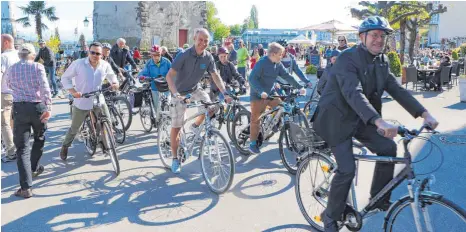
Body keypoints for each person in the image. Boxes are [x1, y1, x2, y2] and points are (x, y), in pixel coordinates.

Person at [312, 16, 439, 232]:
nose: (378, 40)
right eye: (374, 35)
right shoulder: (347, 59)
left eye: (382, 36)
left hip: (361, 119)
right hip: (337, 120)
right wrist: (378, 121)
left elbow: (396, 89)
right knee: (347, 169)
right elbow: (354, 93)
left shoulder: (382, 61)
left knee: (388, 147)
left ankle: (378, 199)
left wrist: (424, 113)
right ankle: (330, 219)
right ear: (362, 37)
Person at [165, 28, 232, 174]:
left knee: (210, 106)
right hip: (179, 92)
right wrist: (176, 94)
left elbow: (215, 76)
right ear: (194, 39)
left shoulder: (208, 57)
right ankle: (175, 158)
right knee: (176, 127)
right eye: (200, 40)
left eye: (206, 41)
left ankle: (195, 126)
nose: (203, 43)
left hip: (195, 89)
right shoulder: (183, 55)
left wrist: (225, 93)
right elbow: (169, 76)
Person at [5, 43, 52, 198]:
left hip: (20, 109)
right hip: (37, 107)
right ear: (33, 54)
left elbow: (9, 85)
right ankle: (33, 167)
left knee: (22, 148)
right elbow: (45, 87)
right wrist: (48, 108)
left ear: (19, 55)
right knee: (39, 138)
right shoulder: (38, 67)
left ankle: (25, 188)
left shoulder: (12, 68)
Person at [59, 42, 119, 161]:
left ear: (102, 55)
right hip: (82, 100)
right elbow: (65, 78)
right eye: (92, 52)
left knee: (107, 122)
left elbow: (112, 76)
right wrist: (73, 91)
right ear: (88, 52)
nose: (95, 55)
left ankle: (106, 144)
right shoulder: (79, 64)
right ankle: (65, 146)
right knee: (74, 128)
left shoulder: (105, 65)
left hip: (98, 99)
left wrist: (115, 83)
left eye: (98, 53)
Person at [248, 42, 306, 154]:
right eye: (280, 54)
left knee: (283, 107)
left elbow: (287, 76)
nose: (282, 56)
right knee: (256, 120)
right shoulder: (262, 63)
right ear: (274, 54)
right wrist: (261, 91)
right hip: (258, 95)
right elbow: (252, 79)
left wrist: (299, 87)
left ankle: (274, 124)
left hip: (270, 93)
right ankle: (252, 144)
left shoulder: (278, 64)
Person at [138, 45, 172, 120]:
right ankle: (158, 121)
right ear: (151, 55)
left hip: (166, 86)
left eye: (158, 55)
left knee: (168, 103)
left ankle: (167, 118)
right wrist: (141, 77)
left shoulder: (166, 62)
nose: (156, 57)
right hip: (155, 87)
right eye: (154, 55)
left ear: (161, 54)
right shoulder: (149, 63)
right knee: (157, 107)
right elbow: (143, 72)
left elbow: (173, 71)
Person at [1, 34, 19, 162]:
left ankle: (11, 152)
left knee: (5, 123)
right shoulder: (19, 55)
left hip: (6, 93)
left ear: (6, 42)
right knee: (15, 121)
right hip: (19, 93)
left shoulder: (3, 57)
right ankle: (18, 147)